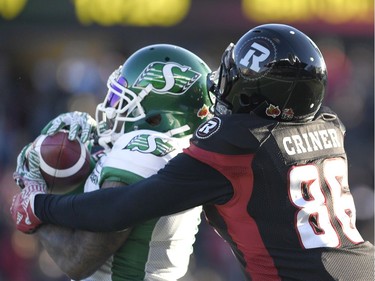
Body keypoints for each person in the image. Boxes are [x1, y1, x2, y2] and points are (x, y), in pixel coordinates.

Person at [11, 24, 374, 281]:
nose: (225, 84)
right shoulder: (329, 125)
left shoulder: (234, 146)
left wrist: (38, 205)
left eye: (237, 76)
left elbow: (120, 208)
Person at [13, 44, 214, 280]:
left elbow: (79, 259)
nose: (112, 105)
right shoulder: (171, 148)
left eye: (121, 96)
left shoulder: (143, 147)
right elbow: (94, 206)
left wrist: (34, 206)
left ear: (156, 113)